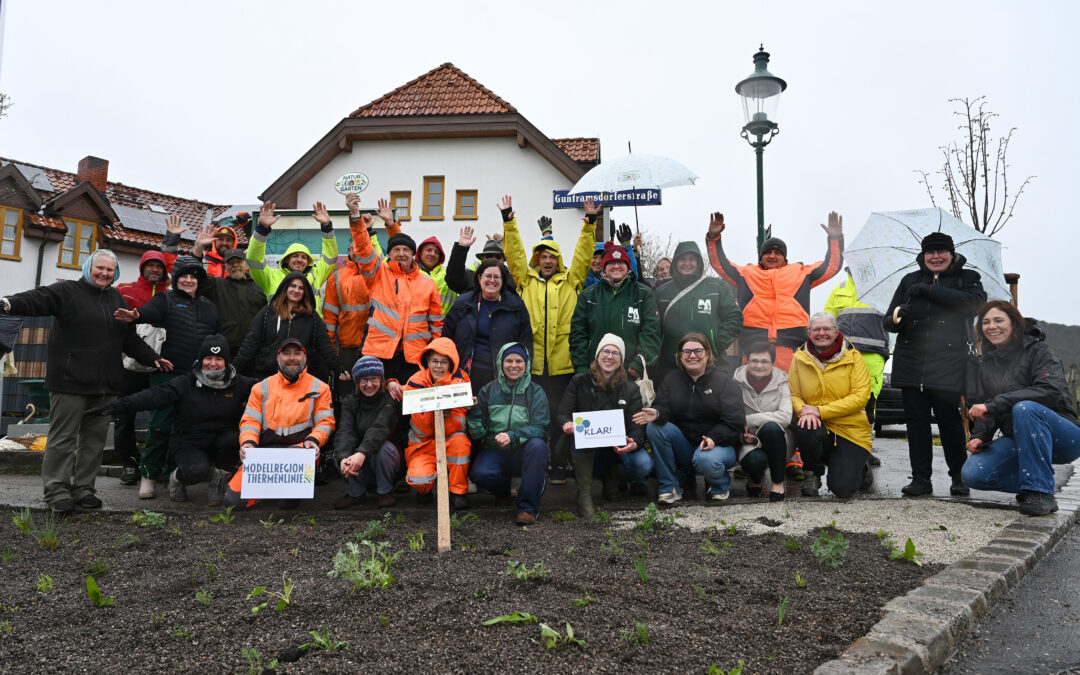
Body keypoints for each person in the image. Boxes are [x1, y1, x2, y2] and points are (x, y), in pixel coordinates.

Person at [0, 249, 168, 513]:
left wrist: (153, 358)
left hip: (105, 385)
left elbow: (129, 339)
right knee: (63, 439)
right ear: (89, 267)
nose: (104, 273)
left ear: (116, 273)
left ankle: (84, 489)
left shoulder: (116, 298)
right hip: (70, 382)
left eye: (109, 270)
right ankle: (57, 491)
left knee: (94, 441)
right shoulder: (67, 292)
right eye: (99, 268)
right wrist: (9, 303)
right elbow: (38, 299)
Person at [90, 335, 258, 506]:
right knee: (195, 471)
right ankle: (176, 478)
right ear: (200, 360)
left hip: (223, 440)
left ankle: (218, 480)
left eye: (219, 359)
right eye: (208, 358)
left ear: (226, 362)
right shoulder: (186, 383)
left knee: (234, 440)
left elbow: (269, 389)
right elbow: (151, 396)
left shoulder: (240, 384)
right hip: (190, 441)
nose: (213, 363)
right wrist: (113, 406)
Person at [501, 194, 596, 484]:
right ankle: (537, 462)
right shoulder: (525, 281)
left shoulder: (571, 281)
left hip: (562, 365)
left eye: (552, 257)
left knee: (560, 415)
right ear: (537, 260)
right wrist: (509, 222)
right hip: (533, 365)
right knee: (534, 416)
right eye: (543, 256)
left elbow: (583, 257)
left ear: (558, 260)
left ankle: (558, 465)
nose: (547, 261)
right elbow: (514, 255)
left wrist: (590, 224)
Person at [884, 232, 986, 497]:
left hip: (949, 361)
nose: (936, 256)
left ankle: (959, 477)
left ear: (951, 254)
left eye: (942, 252)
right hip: (910, 359)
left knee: (948, 420)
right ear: (924, 255)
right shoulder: (909, 280)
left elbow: (973, 305)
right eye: (931, 252)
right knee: (916, 423)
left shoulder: (968, 279)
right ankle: (920, 479)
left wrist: (931, 291)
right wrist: (898, 318)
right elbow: (889, 320)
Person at [961, 302, 1080, 516]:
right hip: (1019, 438)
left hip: (1064, 436)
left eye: (999, 320)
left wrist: (992, 405)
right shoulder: (987, 364)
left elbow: (1049, 390)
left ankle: (1040, 492)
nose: (991, 326)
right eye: (986, 322)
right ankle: (1037, 479)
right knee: (973, 474)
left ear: (1015, 324)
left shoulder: (1039, 351)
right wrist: (980, 435)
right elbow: (989, 407)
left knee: (1025, 408)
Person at [114, 256, 219, 499]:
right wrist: (136, 315)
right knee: (160, 427)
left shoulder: (208, 306)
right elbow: (149, 311)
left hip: (197, 379)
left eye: (193, 276)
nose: (189, 280)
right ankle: (148, 477)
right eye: (183, 275)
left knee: (184, 430)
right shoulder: (166, 299)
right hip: (167, 375)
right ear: (175, 278)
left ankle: (174, 475)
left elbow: (215, 338)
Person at [705, 211, 844, 371]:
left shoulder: (801, 272)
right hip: (754, 346)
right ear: (761, 256)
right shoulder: (746, 273)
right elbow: (719, 264)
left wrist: (835, 239)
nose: (772, 256)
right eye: (768, 252)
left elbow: (831, 266)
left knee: (792, 393)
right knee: (753, 393)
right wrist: (714, 238)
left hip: (792, 347)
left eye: (777, 253)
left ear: (785, 258)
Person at [634, 333, 744, 504]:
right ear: (680, 356)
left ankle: (719, 485)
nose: (692, 356)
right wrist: (657, 413)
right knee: (655, 427)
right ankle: (670, 487)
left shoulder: (723, 381)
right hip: (685, 446)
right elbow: (663, 406)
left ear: (708, 354)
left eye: (698, 351)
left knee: (706, 459)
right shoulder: (672, 379)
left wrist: (715, 438)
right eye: (686, 352)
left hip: (718, 446)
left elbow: (735, 421)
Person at [225, 338, 335, 509]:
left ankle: (275, 491)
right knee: (232, 502)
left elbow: (325, 422)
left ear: (305, 357)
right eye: (286, 353)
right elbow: (250, 421)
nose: (292, 358)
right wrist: (247, 443)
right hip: (265, 453)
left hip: (300, 452)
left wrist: (314, 440)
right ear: (278, 358)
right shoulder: (260, 387)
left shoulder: (321, 388)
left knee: (287, 505)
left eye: (297, 353)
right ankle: (266, 489)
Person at [347, 193, 443, 387]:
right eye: (396, 250)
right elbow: (364, 248)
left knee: (409, 409)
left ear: (412, 255)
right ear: (388, 254)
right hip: (379, 353)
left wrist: (435, 351)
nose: (401, 253)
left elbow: (436, 323)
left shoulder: (427, 282)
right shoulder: (378, 273)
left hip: (414, 357)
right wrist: (356, 218)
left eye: (406, 250)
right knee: (380, 406)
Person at [557, 334, 652, 519]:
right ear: (597, 355)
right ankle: (584, 496)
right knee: (578, 437)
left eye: (616, 353)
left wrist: (635, 441)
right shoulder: (579, 381)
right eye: (606, 351)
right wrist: (566, 424)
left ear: (622, 359)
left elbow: (637, 424)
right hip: (586, 448)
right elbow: (562, 413)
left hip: (617, 450)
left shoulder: (631, 388)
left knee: (643, 464)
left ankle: (612, 477)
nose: (610, 356)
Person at [789, 313, 873, 499]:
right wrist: (804, 411)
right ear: (809, 333)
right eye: (816, 329)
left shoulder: (854, 357)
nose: (822, 333)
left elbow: (860, 397)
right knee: (805, 426)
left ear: (836, 332)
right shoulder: (799, 358)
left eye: (827, 329)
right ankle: (812, 473)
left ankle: (861, 465)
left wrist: (820, 411)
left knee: (842, 490)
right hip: (818, 428)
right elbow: (794, 394)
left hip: (851, 430)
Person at [468, 343, 550, 525]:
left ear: (526, 364)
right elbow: (477, 434)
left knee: (538, 446)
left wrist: (512, 435)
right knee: (481, 473)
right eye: (509, 361)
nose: (514, 366)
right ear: (500, 363)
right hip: (494, 449)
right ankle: (502, 492)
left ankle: (527, 508)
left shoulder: (536, 392)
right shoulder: (487, 390)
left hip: (524, 450)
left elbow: (540, 428)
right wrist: (472, 412)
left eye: (519, 361)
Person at [113, 246, 172, 485]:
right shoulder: (124, 291)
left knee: (162, 415)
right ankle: (129, 464)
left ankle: (156, 463)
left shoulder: (170, 294)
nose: (155, 269)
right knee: (124, 415)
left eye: (159, 266)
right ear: (142, 268)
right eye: (150, 265)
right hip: (127, 364)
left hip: (159, 363)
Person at [824, 269, 890, 464]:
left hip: (872, 355)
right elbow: (828, 320)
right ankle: (841, 446)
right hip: (844, 355)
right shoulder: (840, 289)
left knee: (868, 404)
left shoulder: (884, 290)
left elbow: (895, 320)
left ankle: (864, 449)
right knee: (842, 400)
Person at [570, 241, 661, 379]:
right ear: (604, 266)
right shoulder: (588, 295)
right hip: (594, 372)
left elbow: (651, 331)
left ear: (628, 266)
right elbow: (578, 333)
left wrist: (639, 364)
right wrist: (582, 367)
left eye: (621, 262)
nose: (616, 266)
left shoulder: (644, 294)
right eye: (611, 262)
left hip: (630, 372)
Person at [401, 337, 472, 510]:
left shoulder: (461, 381)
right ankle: (424, 491)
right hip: (422, 445)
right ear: (427, 361)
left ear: (451, 363)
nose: (438, 366)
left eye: (443, 362)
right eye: (434, 361)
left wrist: (447, 414)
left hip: (449, 439)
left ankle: (458, 493)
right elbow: (422, 427)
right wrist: (436, 409)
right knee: (419, 479)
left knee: (461, 443)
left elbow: (459, 423)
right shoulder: (415, 382)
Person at [233, 272, 343, 382]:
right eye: (293, 286)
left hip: (301, 379)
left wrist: (338, 369)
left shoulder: (312, 317)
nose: (296, 290)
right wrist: (234, 369)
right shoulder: (267, 313)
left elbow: (325, 347)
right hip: (268, 377)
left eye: (301, 288)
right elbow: (249, 344)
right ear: (285, 288)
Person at [654, 241, 742, 375]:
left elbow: (734, 316)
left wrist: (716, 343)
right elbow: (653, 326)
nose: (687, 263)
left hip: (712, 365)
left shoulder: (716, 287)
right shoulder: (662, 291)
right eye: (682, 259)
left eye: (691, 259)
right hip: (671, 367)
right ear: (676, 262)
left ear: (699, 262)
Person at [443, 260, 532, 392]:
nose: (492, 280)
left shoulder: (516, 306)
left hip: (503, 376)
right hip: (464, 374)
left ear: (503, 281)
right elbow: (446, 339)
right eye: (488, 276)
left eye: (497, 277)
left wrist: (523, 373)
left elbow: (526, 343)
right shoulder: (463, 303)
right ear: (479, 278)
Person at [331, 356, 404, 509]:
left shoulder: (389, 399)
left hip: (385, 462)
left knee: (384, 449)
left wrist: (362, 453)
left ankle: (385, 491)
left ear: (381, 380)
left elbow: (381, 427)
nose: (369, 384)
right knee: (340, 452)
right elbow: (345, 431)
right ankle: (356, 493)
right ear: (357, 382)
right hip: (359, 465)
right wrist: (344, 458)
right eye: (364, 380)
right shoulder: (350, 402)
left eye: (374, 379)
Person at [246, 200, 339, 311]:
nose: (300, 260)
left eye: (304, 257)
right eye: (295, 256)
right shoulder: (270, 277)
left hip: (310, 328)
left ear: (308, 262)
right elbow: (254, 258)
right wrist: (262, 229)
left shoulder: (316, 275)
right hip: (280, 327)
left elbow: (331, 256)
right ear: (286, 260)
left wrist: (327, 226)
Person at [732, 341, 794, 501]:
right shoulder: (735, 382)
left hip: (778, 437)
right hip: (748, 440)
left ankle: (778, 483)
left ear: (773, 363)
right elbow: (731, 415)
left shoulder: (782, 382)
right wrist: (741, 432)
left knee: (771, 428)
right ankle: (755, 477)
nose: (759, 365)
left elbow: (786, 417)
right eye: (754, 361)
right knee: (754, 461)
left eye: (764, 361)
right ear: (747, 361)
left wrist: (749, 419)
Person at [202, 248, 268, 355]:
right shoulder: (216, 285)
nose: (235, 265)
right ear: (225, 267)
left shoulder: (260, 287)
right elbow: (194, 277)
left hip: (256, 351)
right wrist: (198, 249)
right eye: (231, 262)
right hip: (225, 352)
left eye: (239, 261)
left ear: (247, 264)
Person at [445, 226, 511, 295]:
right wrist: (461, 248)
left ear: (504, 259)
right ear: (482, 258)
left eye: (498, 256)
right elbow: (453, 279)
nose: (493, 259)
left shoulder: (511, 281)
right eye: (489, 256)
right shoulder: (471, 279)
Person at [415, 235, 456, 314]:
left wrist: (486, 255)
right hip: (417, 324)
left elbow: (474, 270)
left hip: (445, 325)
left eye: (436, 252)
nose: (432, 254)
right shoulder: (410, 272)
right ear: (420, 253)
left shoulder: (448, 274)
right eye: (428, 250)